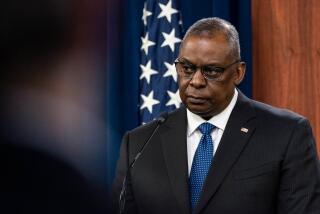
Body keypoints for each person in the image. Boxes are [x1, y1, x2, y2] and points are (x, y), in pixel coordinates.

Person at [112, 17, 320, 214]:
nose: (196, 81)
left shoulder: (286, 134)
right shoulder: (139, 144)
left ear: (238, 73)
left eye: (211, 71)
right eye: (186, 68)